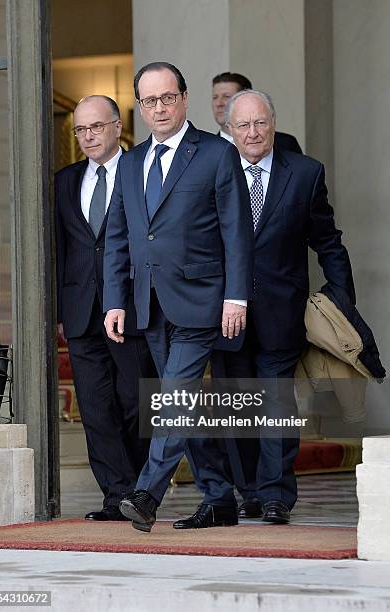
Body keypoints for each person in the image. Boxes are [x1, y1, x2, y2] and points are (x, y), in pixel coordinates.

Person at [104, 62, 253, 532]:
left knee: (174, 396)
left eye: (168, 97)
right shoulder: (129, 162)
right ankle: (218, 497)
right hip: (149, 303)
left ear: (185, 98)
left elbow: (237, 229)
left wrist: (236, 296)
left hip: (202, 298)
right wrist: (115, 300)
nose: (159, 107)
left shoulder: (214, 153)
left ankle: (147, 493)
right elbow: (119, 239)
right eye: (149, 100)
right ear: (139, 107)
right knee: (182, 402)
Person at [205, 89, 355, 524]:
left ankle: (275, 495)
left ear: (273, 123)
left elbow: (326, 239)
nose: (252, 133)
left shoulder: (305, 173)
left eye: (260, 123)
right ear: (229, 131)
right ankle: (248, 489)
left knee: (276, 405)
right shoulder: (212, 170)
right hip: (223, 312)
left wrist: (340, 296)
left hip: (280, 311)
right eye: (243, 125)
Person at [55, 95, 156, 521]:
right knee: (95, 408)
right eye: (80, 129)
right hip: (81, 310)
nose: (88, 136)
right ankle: (116, 496)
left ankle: (140, 488)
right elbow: (61, 248)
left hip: (131, 308)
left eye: (96, 127)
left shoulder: (143, 173)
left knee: (135, 402)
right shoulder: (64, 180)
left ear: (118, 127)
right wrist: (59, 309)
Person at [211, 71, 302, 153]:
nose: (219, 103)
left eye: (226, 96)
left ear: (247, 98)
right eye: (215, 97)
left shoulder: (285, 144)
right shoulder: (207, 149)